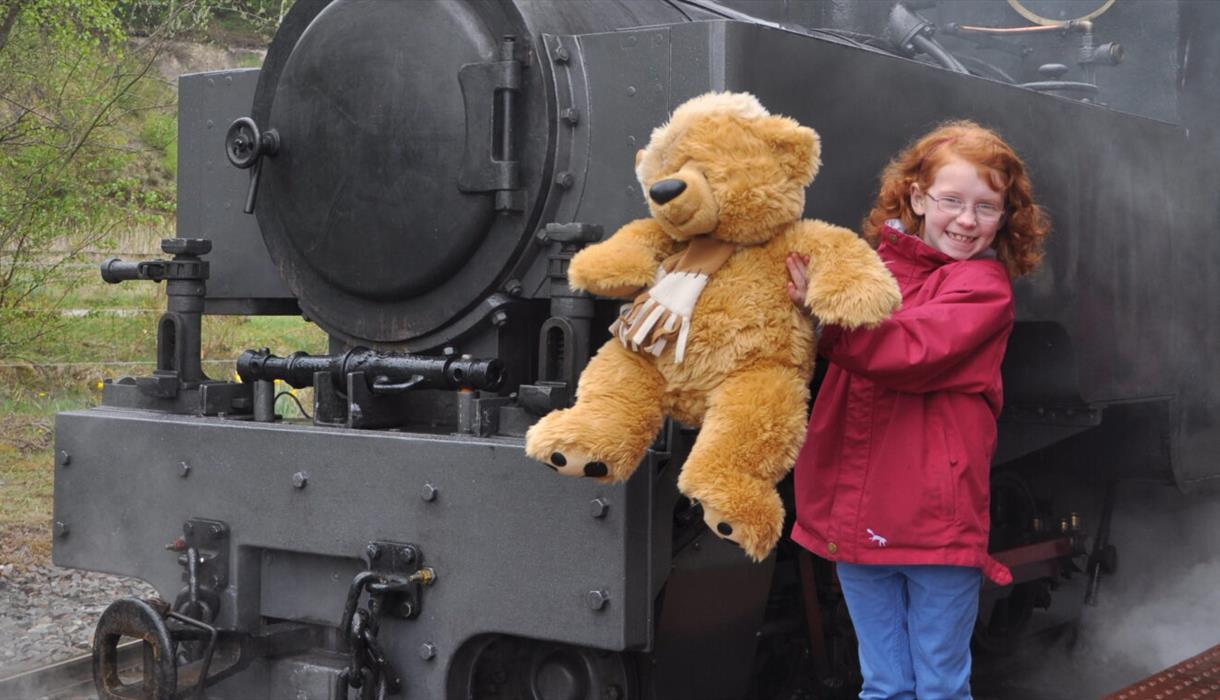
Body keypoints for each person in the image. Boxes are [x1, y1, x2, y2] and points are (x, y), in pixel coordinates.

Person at [785, 120, 1050, 700]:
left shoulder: (983, 287)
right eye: (951, 200)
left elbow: (911, 350)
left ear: (1006, 218)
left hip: (933, 519)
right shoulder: (865, 271)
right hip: (856, 516)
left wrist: (824, 318)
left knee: (938, 686)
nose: (965, 219)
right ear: (917, 196)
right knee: (882, 683)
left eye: (986, 207)